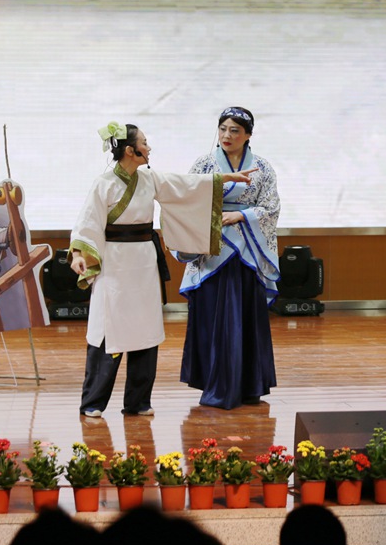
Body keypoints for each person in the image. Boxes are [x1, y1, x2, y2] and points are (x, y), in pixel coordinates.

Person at [70, 122, 255, 417]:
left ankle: (138, 401)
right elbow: (87, 222)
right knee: (108, 329)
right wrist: (80, 254)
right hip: (114, 263)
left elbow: (185, 185)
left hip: (144, 262)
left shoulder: (149, 178)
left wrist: (224, 178)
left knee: (145, 330)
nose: (149, 147)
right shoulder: (103, 184)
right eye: (144, 142)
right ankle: (93, 402)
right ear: (130, 150)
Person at [176, 106, 280, 410]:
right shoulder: (204, 164)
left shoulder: (262, 167)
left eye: (235, 130)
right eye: (223, 129)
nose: (227, 135)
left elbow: (271, 208)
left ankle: (248, 386)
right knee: (211, 319)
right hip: (211, 250)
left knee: (245, 320)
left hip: (248, 251)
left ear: (248, 135)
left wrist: (241, 215)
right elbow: (187, 199)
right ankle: (215, 384)